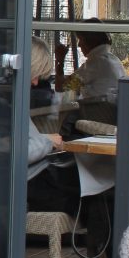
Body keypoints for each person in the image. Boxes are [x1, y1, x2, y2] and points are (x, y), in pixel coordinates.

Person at [27, 37, 80, 215]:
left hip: (37, 171)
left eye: (82, 41)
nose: (79, 45)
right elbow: (63, 86)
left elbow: (62, 86)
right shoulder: (94, 67)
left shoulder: (93, 67)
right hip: (32, 180)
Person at [55, 21, 125, 103]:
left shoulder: (96, 63)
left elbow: (62, 87)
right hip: (111, 112)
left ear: (90, 41)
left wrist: (61, 60)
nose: (79, 45)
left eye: (80, 40)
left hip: (96, 112)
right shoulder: (114, 60)